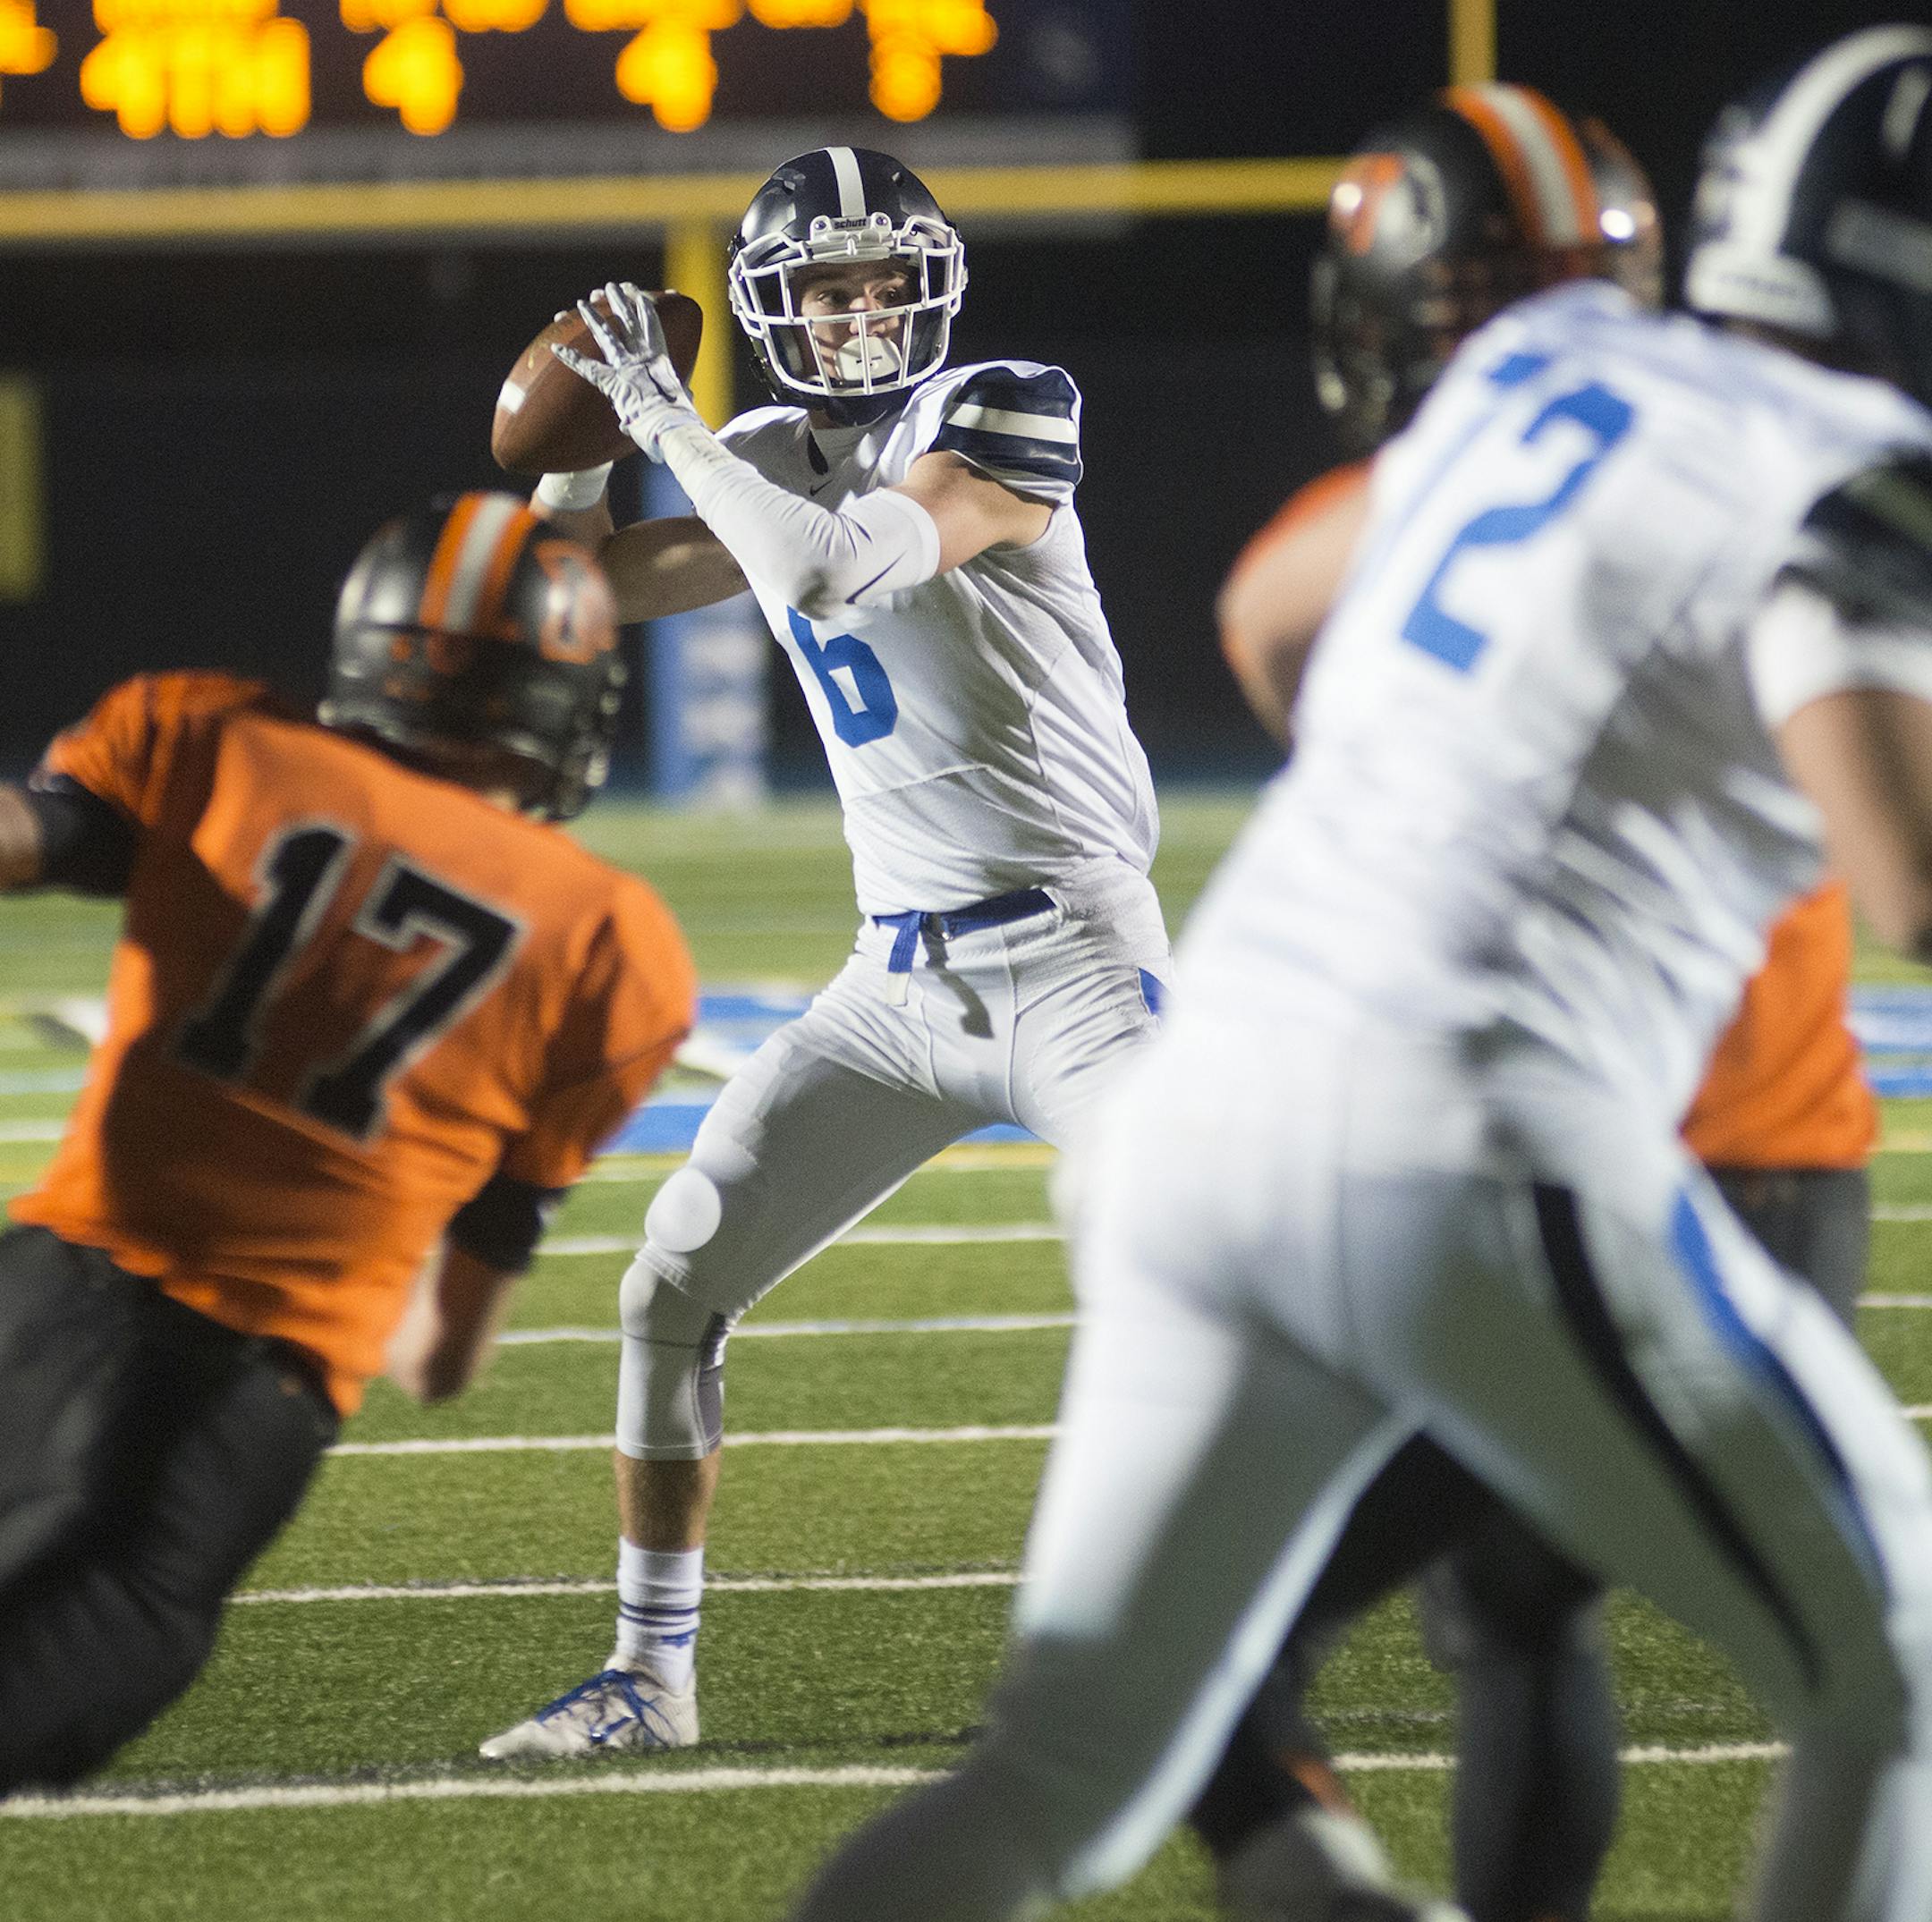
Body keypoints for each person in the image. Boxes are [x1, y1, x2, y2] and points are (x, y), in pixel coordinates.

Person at [786, 25, 1932, 1922]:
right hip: (1471, 1127)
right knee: (1889, 1657)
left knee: (1063, 1775)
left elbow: (1295, 609)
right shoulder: (1854, 471)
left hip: (1207, 1106)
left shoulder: (1554, 364)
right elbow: (1906, 876)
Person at [1195, 88, 1876, 1922]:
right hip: (1754, 1144)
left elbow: (1265, 611)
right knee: (1520, 1607)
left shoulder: (1494, 453)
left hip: (1578, 1147)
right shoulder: (1786, 434)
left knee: (1226, 1623)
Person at [480, 147, 1169, 1760]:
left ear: (929, 283)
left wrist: (650, 416)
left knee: (1213, 1279)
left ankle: (1233, 1647)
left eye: (883, 280)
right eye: (828, 286)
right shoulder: (763, 449)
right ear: (773, 306)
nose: (861, 315)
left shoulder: (1004, 407)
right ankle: (651, 1677)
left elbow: (829, 563)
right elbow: (560, 599)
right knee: (669, 1285)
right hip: (895, 983)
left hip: (1073, 956)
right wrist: (581, 458)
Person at [0, 493, 696, 1794]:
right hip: (227, 1391)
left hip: (36, 1290)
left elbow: (28, 839)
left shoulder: (218, 739)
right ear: (556, 699)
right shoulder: (611, 942)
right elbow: (441, 1353)